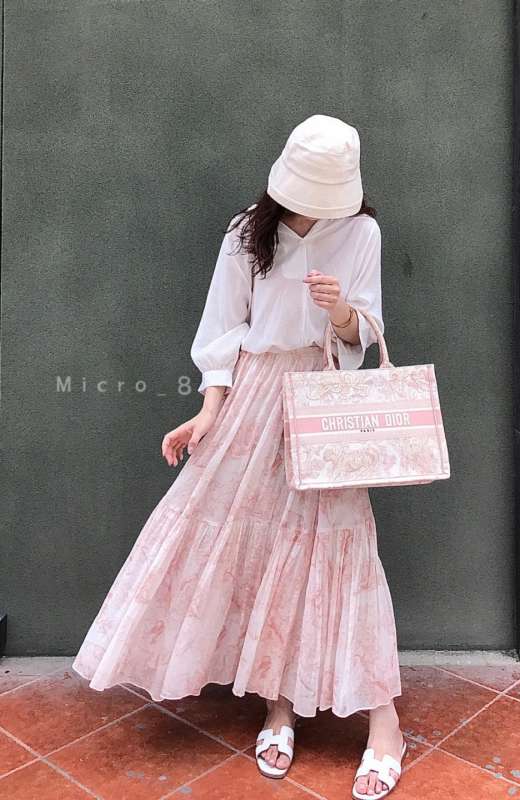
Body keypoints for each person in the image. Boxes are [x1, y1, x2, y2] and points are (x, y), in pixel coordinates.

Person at [72, 113, 407, 799]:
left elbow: (363, 335)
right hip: (254, 399)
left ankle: (385, 726)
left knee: (342, 551)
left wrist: (340, 310)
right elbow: (223, 330)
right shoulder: (247, 232)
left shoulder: (361, 232)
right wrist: (208, 411)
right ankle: (278, 708)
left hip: (322, 400)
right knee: (256, 549)